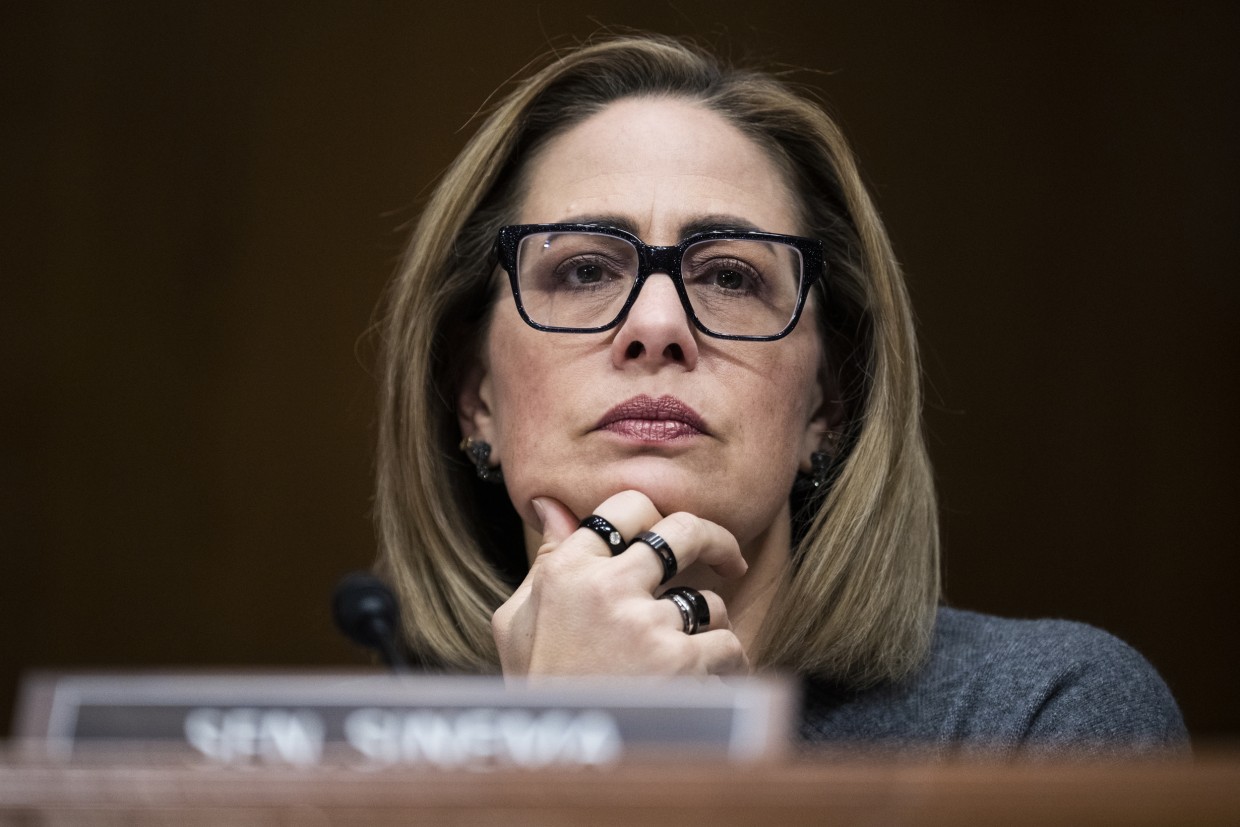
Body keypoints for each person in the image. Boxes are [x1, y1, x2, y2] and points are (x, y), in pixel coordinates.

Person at [371, 34, 1186, 755]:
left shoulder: (1040, 718)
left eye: (730, 275)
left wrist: (613, 754)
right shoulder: (352, 777)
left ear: (828, 404)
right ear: (475, 397)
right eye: (584, 269)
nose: (658, 325)